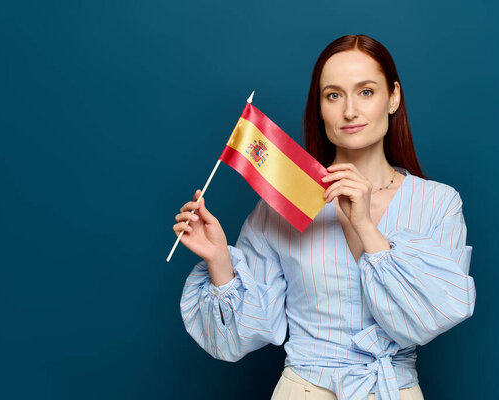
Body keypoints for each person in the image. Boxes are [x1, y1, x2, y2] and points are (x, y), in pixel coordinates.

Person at [174, 34, 476, 400]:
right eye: (334, 95)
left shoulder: (438, 203)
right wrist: (220, 260)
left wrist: (364, 225)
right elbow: (241, 336)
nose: (350, 111)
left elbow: (433, 315)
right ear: (319, 107)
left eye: (366, 91)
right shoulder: (284, 204)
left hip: (392, 390)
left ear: (393, 97)